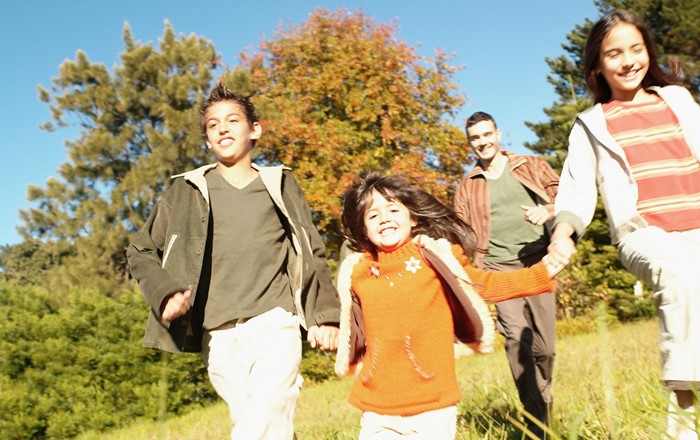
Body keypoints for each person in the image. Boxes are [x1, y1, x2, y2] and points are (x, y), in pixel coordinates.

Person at [126, 78, 340, 440]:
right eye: (213, 124)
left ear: (255, 130)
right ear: (207, 139)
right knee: (259, 424)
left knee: (270, 407)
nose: (222, 127)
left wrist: (325, 316)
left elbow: (310, 249)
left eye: (233, 120)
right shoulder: (187, 189)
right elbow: (140, 250)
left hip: (276, 319)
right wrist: (164, 292)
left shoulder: (280, 183)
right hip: (218, 334)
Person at [545, 10, 700, 440]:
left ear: (648, 52)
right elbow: (576, 191)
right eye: (614, 53)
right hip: (647, 235)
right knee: (684, 277)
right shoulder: (590, 126)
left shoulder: (680, 102)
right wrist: (563, 234)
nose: (629, 60)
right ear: (597, 64)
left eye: (637, 49)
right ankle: (684, 424)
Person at [334, 173, 562, 439]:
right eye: (372, 216)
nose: (384, 218)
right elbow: (353, 324)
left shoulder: (435, 259)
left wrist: (542, 273)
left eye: (393, 209)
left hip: (432, 402)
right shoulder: (358, 272)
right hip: (377, 406)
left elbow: (485, 284)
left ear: (414, 218)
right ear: (363, 229)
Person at [454, 111, 560, 438]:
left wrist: (549, 211)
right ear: (470, 142)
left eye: (487, 135)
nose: (483, 142)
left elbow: (567, 197)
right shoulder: (467, 185)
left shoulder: (530, 165)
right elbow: (458, 232)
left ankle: (543, 401)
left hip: (538, 262)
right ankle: (536, 421)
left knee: (544, 348)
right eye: (476, 138)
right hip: (496, 268)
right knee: (516, 339)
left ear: (498, 134)